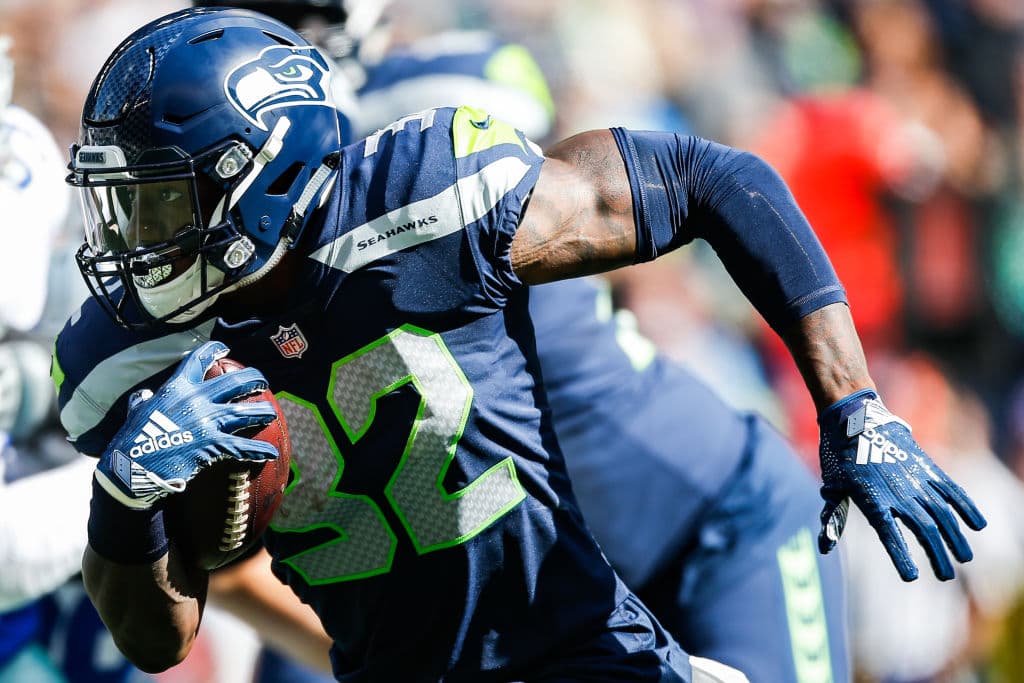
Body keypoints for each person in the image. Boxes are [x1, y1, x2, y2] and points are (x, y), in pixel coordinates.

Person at [53, 7, 985, 682]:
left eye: (155, 203)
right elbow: (156, 637)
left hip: (615, 621)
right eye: (120, 206)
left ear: (257, 176)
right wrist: (123, 505)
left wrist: (854, 406)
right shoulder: (130, 358)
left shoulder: (426, 198)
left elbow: (709, 176)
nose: (131, 241)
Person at [195, 3, 851, 679]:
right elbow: (237, 572)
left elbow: (676, 180)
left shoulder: (427, 130)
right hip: (534, 592)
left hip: (707, 532)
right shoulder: (214, 270)